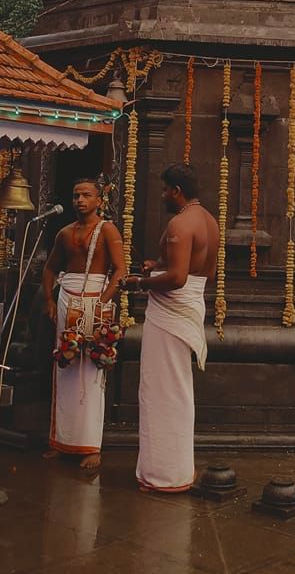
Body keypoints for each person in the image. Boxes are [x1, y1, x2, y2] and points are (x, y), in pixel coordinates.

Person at [120, 163, 218, 492]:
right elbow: (201, 273)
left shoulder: (180, 222)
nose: (162, 195)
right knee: (176, 389)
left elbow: (176, 280)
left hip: (171, 311)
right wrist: (159, 264)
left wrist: (140, 282)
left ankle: (163, 474)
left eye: (165, 190)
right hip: (190, 304)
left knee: (160, 391)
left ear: (176, 191)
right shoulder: (210, 221)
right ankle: (175, 470)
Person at [43, 176, 125, 470]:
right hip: (68, 300)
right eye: (76, 195)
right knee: (64, 363)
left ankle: (92, 445)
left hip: (94, 302)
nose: (80, 200)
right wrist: (49, 301)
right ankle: (60, 440)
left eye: (86, 195)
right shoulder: (64, 233)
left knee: (92, 369)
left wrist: (102, 301)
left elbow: (120, 270)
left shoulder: (108, 230)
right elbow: (50, 268)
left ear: (99, 201)